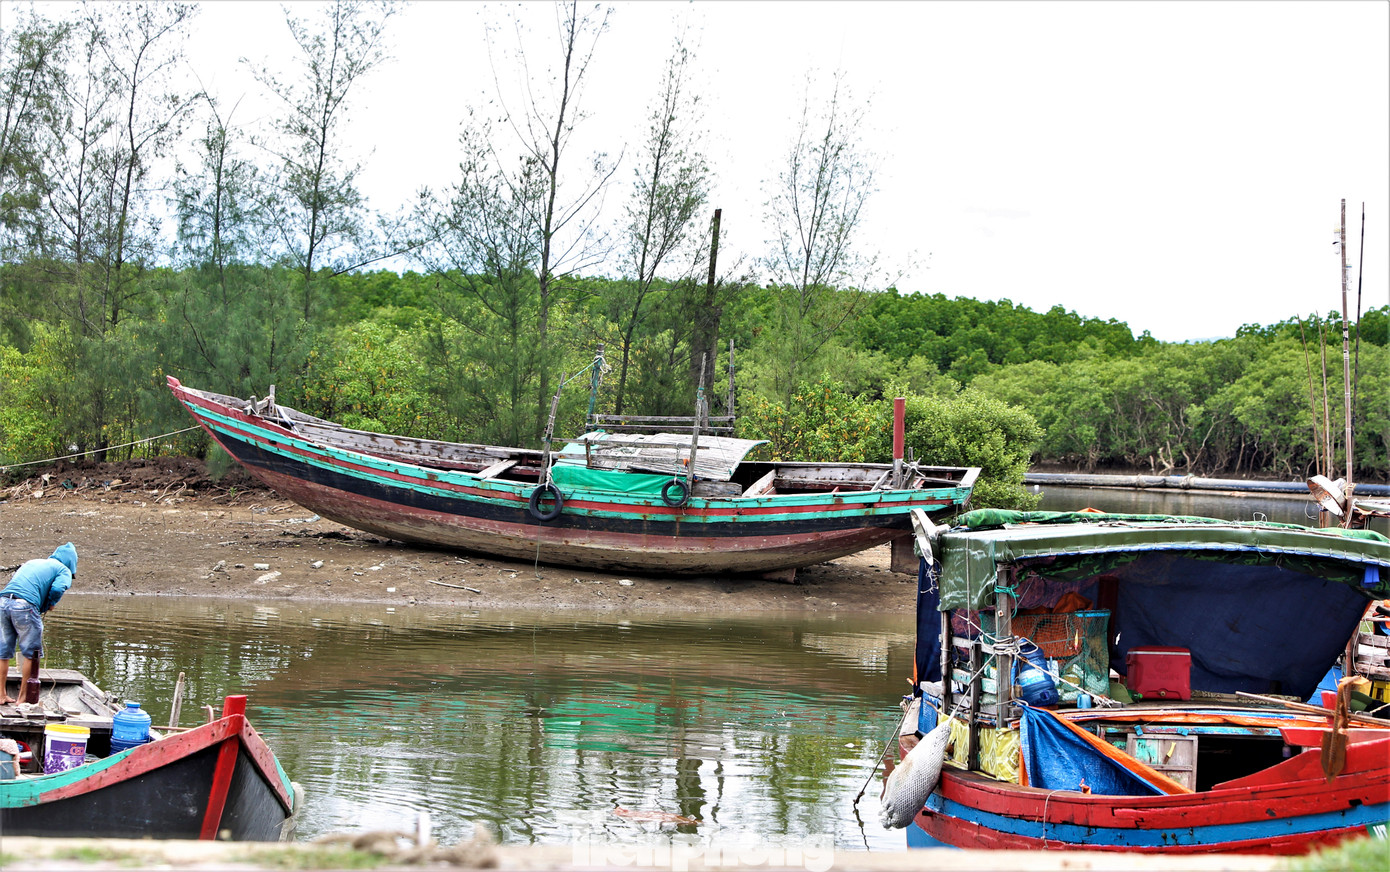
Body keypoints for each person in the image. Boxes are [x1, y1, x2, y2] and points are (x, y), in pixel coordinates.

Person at [0, 542, 76, 704]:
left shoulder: (33, 562)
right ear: (71, 563)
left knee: (3, 652)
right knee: (32, 654)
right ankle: (23, 699)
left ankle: (1, 695)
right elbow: (57, 589)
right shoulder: (64, 570)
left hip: (3, 602)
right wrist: (51, 603)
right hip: (24, 606)